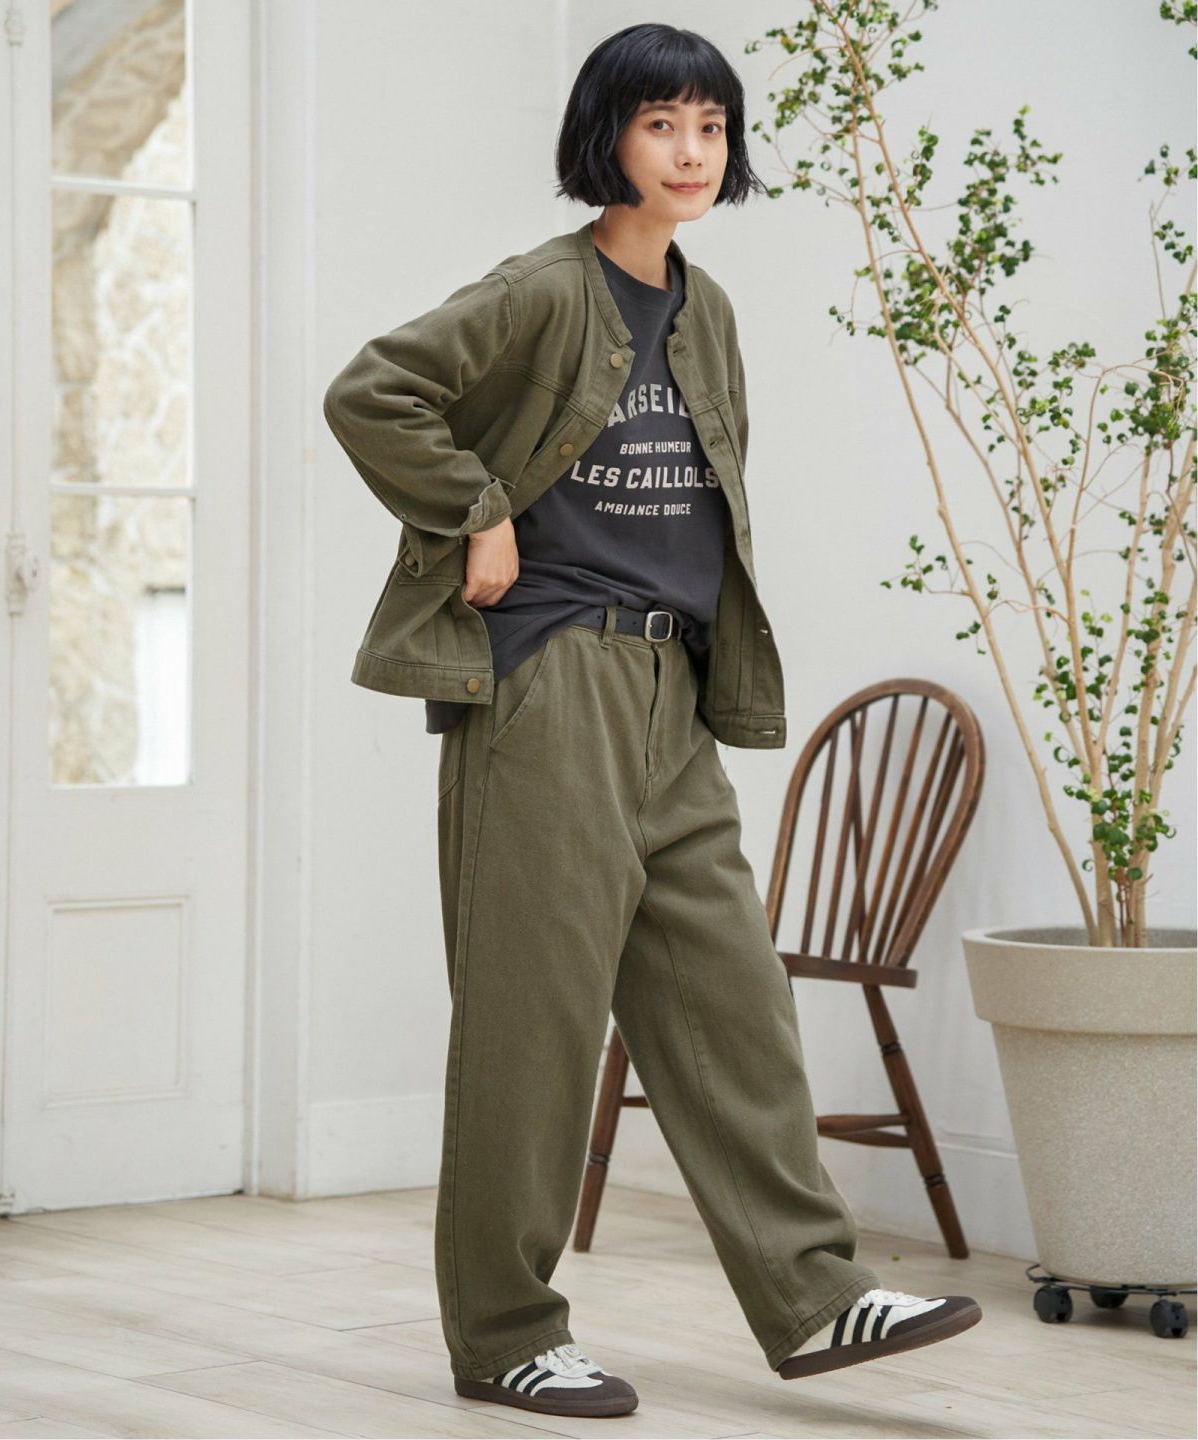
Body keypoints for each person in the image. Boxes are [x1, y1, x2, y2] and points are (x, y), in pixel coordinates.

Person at [323, 21, 982, 1422]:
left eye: (711, 128)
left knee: (732, 1000)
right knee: (535, 1026)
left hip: (672, 690)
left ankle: (814, 1294)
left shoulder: (708, 308)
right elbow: (372, 389)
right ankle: (506, 1334)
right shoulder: (541, 292)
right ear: (607, 139)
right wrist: (476, 510)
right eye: (661, 125)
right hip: (550, 683)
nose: (691, 153)